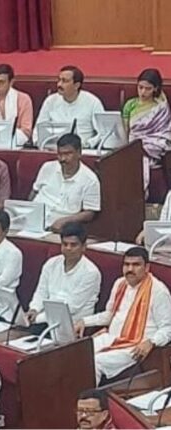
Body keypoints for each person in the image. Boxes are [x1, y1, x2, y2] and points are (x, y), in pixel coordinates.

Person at [75, 247, 171, 384]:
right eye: (126, 264)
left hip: (135, 346)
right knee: (76, 354)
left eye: (136, 265)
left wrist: (151, 342)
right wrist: (84, 321)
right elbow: (109, 315)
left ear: (147, 267)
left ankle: (85, 401)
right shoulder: (120, 283)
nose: (130, 269)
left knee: (95, 362)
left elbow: (167, 328)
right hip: (111, 338)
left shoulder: (159, 291)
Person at [26, 222, 101, 326]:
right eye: (65, 244)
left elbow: (71, 307)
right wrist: (34, 309)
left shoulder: (91, 272)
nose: (68, 248)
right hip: (45, 319)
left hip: (72, 324)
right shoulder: (51, 264)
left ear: (84, 247)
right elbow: (41, 292)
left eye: (73, 245)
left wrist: (37, 318)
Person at [31, 133, 101, 232]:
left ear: (79, 153)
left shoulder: (90, 180)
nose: (62, 159)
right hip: (33, 222)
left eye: (68, 154)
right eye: (60, 154)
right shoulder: (47, 167)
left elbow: (90, 213)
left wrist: (65, 221)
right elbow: (34, 192)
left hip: (60, 228)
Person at [122, 68, 171, 193]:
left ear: (155, 88)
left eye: (147, 88)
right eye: (140, 87)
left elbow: (164, 132)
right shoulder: (130, 104)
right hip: (133, 143)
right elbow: (126, 130)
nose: (143, 92)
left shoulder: (160, 107)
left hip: (154, 145)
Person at [35, 65, 105, 147]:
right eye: (59, 80)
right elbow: (38, 128)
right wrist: (39, 143)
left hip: (82, 150)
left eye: (64, 81)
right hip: (52, 148)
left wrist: (89, 144)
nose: (59, 84)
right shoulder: (50, 101)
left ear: (76, 85)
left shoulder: (92, 102)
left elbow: (102, 132)